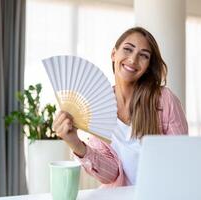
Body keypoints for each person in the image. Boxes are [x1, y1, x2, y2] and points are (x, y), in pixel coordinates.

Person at [52, 27, 188, 187]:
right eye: (128, 49)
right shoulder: (97, 108)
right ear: (113, 54)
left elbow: (181, 157)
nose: (133, 59)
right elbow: (111, 174)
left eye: (143, 55)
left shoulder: (164, 100)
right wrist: (75, 143)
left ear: (148, 66)